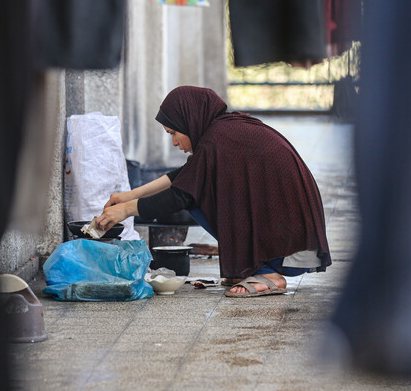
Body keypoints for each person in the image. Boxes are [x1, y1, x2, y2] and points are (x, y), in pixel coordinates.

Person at [94, 86, 330, 297]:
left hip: (292, 246)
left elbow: (181, 194)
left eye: (173, 133)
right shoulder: (221, 131)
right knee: (197, 188)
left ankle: (268, 274)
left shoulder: (216, 140)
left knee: (196, 198)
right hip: (296, 237)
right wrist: (128, 196)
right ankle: (254, 266)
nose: (175, 142)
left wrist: (125, 211)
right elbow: (184, 176)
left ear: (190, 120)